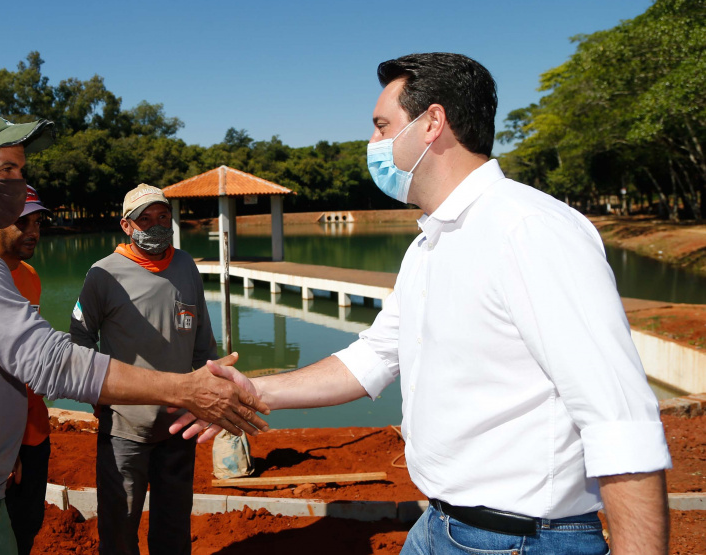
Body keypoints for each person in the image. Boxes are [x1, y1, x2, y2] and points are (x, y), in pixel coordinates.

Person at [176, 53, 671, 554]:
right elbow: (373, 358)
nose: (372, 144)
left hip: (520, 539)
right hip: (440, 524)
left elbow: (619, 419)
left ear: (432, 122)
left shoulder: (529, 230)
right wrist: (251, 391)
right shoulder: (430, 243)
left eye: (381, 126)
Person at [0, 106, 268, 555]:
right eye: (7, 169)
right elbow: (50, 360)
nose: (19, 183)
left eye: (21, 169)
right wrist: (183, 390)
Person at [70, 184, 217, 555]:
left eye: (163, 217)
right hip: (124, 426)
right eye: (145, 219)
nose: (156, 225)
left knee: (174, 526)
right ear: (126, 225)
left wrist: (202, 396)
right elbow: (80, 339)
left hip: (178, 425)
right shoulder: (103, 274)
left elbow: (202, 339)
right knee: (120, 527)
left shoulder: (185, 265)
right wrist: (97, 395)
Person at [0, 185, 53, 555]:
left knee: (27, 525)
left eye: (37, 222)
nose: (33, 231)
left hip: (34, 429)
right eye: (21, 221)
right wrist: (4, 443)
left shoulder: (30, 275)